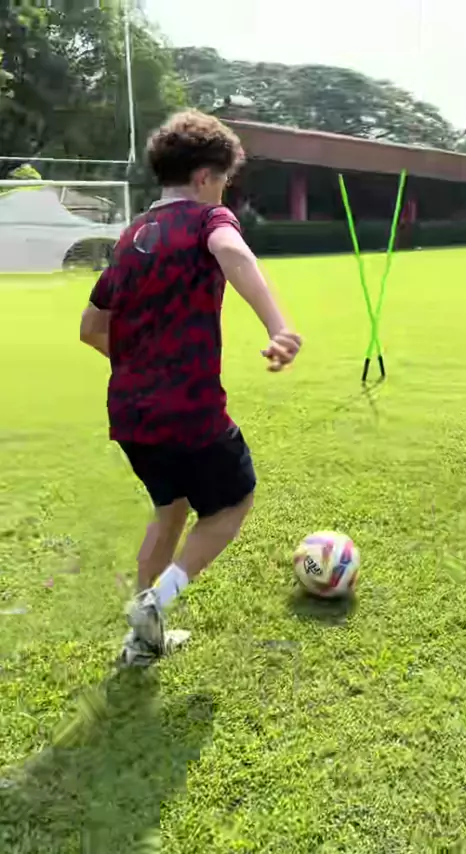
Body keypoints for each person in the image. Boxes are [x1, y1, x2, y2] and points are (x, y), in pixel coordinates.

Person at [80, 110, 302, 666]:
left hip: (131, 414)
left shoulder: (130, 239)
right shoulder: (209, 218)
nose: (224, 192)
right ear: (204, 177)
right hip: (189, 410)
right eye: (223, 180)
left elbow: (90, 327)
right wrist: (278, 327)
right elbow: (233, 250)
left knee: (170, 508)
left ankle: (142, 640)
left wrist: (138, 367)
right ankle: (156, 601)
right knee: (234, 500)